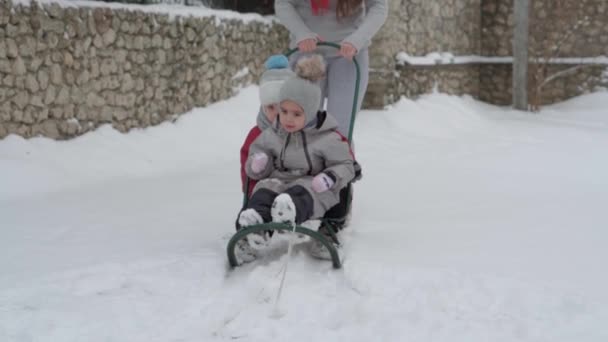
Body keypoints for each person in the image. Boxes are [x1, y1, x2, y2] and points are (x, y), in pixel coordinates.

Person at [236, 55, 356, 263]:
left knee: (302, 194)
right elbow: (254, 162)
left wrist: (329, 177)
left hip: (312, 184)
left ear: (310, 113)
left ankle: (294, 215)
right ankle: (254, 227)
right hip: (278, 181)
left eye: (296, 114)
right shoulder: (272, 134)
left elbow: (346, 164)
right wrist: (258, 165)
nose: (287, 119)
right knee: (265, 190)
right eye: (283, 111)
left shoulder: (327, 137)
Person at [274, 0, 388, 137]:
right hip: (307, 54)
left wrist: (357, 40)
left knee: (340, 131)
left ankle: (338, 158)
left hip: (349, 57)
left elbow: (379, 6)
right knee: (302, 126)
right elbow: (283, 3)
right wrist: (301, 32)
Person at [239, 55, 295, 197]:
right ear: (263, 108)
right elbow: (247, 169)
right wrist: (252, 193)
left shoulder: (305, 130)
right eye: (271, 107)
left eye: (283, 108)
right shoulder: (257, 134)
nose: (277, 113)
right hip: (266, 191)